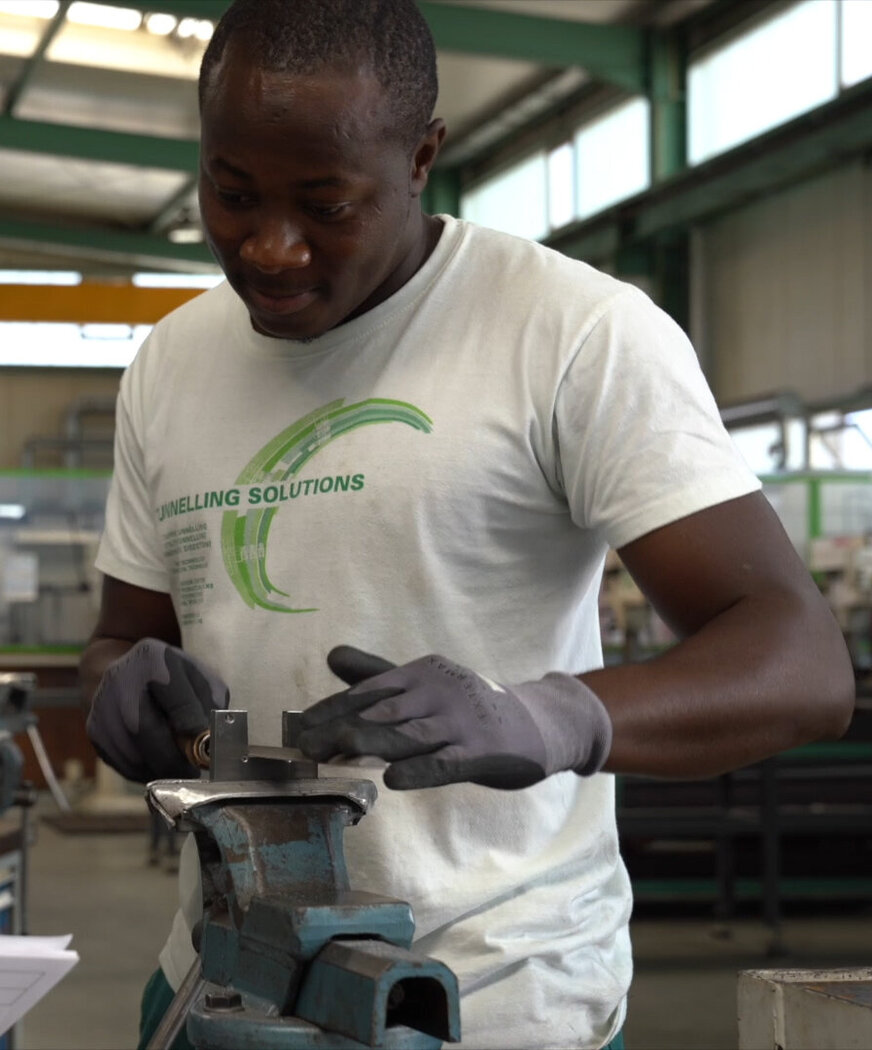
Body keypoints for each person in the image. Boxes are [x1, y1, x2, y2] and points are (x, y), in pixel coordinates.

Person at [80, 1, 855, 1047]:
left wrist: (548, 719)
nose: (270, 246)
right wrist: (118, 691)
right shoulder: (172, 364)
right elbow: (121, 638)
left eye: (326, 202)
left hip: (493, 996)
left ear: (421, 159)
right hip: (219, 983)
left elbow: (801, 663)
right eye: (233, 192)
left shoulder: (570, 334)